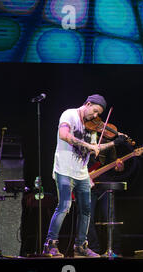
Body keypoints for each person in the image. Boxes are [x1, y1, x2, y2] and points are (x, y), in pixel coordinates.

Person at [43, 94, 127, 257]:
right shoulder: (69, 114)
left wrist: (114, 143)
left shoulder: (93, 128)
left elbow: (93, 149)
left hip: (82, 173)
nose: (95, 117)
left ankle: (80, 246)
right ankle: (50, 244)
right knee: (64, 206)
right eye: (95, 111)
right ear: (88, 104)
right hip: (65, 170)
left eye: (98, 114)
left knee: (86, 210)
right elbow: (64, 135)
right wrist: (87, 144)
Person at [86, 136, 125, 257]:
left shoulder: (108, 141)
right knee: (87, 218)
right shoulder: (82, 136)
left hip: (104, 184)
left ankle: (114, 249)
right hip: (86, 182)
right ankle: (93, 249)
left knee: (109, 216)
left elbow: (115, 165)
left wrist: (119, 167)